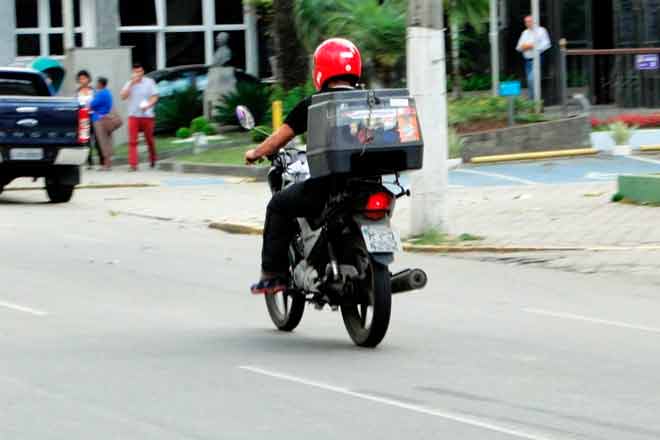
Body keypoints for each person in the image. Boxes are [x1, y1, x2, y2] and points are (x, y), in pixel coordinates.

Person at [244, 38, 362, 294]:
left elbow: (278, 140)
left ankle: (274, 276)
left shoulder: (314, 104)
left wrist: (255, 153)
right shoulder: (369, 102)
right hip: (368, 185)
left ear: (321, 70)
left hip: (327, 189)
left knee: (278, 206)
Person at [120, 63, 159, 171]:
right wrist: (131, 83)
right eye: (136, 72)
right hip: (134, 115)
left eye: (140, 71)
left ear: (143, 72)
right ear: (133, 72)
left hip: (147, 115)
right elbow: (123, 96)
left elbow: (155, 96)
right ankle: (133, 165)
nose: (138, 74)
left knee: (149, 140)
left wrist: (148, 105)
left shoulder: (149, 82)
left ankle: (153, 159)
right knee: (133, 141)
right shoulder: (129, 83)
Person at [516, 15, 551, 100]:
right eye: (526, 22)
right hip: (527, 61)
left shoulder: (541, 30)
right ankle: (535, 102)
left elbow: (547, 45)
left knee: (532, 80)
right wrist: (525, 47)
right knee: (530, 82)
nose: (528, 23)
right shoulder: (524, 33)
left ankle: (533, 102)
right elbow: (518, 47)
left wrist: (533, 46)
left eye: (529, 21)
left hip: (537, 59)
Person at [76, 70, 102, 168]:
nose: (83, 80)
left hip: (94, 117)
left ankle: (101, 161)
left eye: (84, 78)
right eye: (81, 79)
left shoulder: (93, 91)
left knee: (98, 140)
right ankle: (89, 162)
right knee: (86, 142)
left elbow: (98, 103)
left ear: (88, 79)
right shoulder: (78, 92)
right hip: (83, 118)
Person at [89, 77, 114, 170]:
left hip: (99, 119)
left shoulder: (101, 93)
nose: (96, 85)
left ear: (100, 84)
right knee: (108, 140)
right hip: (107, 119)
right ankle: (109, 163)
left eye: (97, 83)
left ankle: (106, 165)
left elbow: (92, 104)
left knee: (103, 142)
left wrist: (92, 103)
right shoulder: (108, 93)